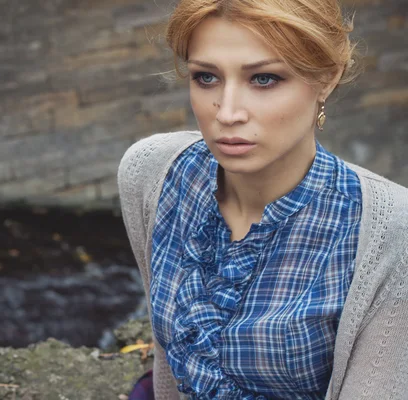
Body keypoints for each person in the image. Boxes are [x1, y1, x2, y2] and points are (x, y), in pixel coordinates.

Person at [117, 0, 408, 399]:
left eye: (264, 79)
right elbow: (169, 367)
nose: (228, 112)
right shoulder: (151, 173)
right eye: (206, 77)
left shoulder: (392, 232)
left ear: (326, 78)